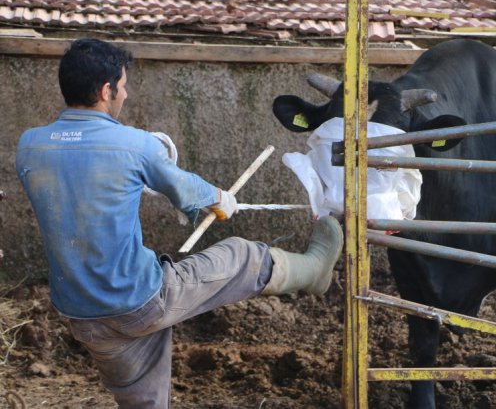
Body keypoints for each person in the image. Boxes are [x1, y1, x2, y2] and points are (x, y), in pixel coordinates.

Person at [15, 38, 343, 408]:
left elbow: (82, 179)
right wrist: (220, 198)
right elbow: (183, 187)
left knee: (144, 401)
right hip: (140, 299)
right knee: (241, 257)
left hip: (83, 316)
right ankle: (315, 270)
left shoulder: (30, 145)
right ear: (106, 91)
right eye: (123, 86)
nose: (126, 93)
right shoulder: (135, 145)